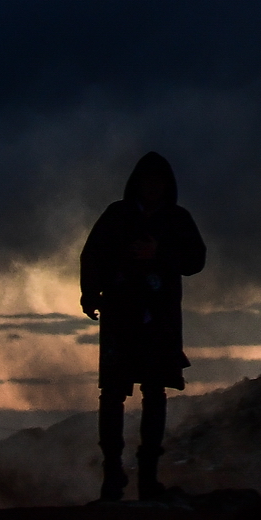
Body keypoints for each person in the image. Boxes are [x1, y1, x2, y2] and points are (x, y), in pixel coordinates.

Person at [79, 151, 206, 502]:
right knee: (113, 393)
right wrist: (90, 293)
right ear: (136, 183)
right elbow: (92, 255)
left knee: (154, 392)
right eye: (147, 181)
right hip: (120, 314)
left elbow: (196, 260)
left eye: (158, 182)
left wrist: (160, 253)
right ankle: (112, 475)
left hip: (160, 318)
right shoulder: (116, 215)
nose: (152, 187)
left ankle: (148, 479)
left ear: (167, 186)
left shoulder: (178, 219)